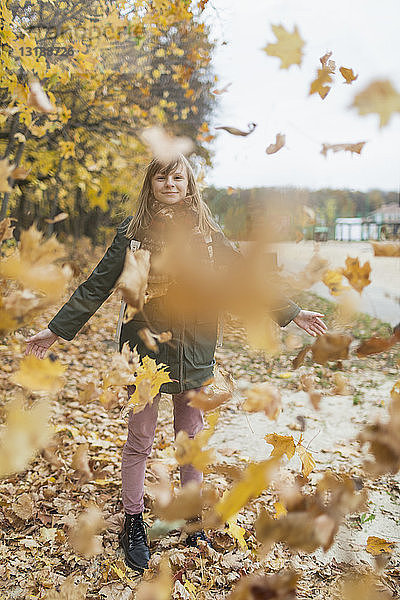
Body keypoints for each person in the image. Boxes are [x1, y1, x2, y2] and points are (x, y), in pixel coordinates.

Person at [25, 154, 327, 572]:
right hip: (145, 355)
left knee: (191, 442)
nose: (170, 183)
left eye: (178, 176)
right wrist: (56, 330)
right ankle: (132, 522)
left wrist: (292, 313)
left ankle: (191, 518)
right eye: (162, 177)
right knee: (140, 441)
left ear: (189, 184)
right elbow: (97, 285)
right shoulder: (132, 235)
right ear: (151, 184)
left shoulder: (206, 234)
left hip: (196, 351)